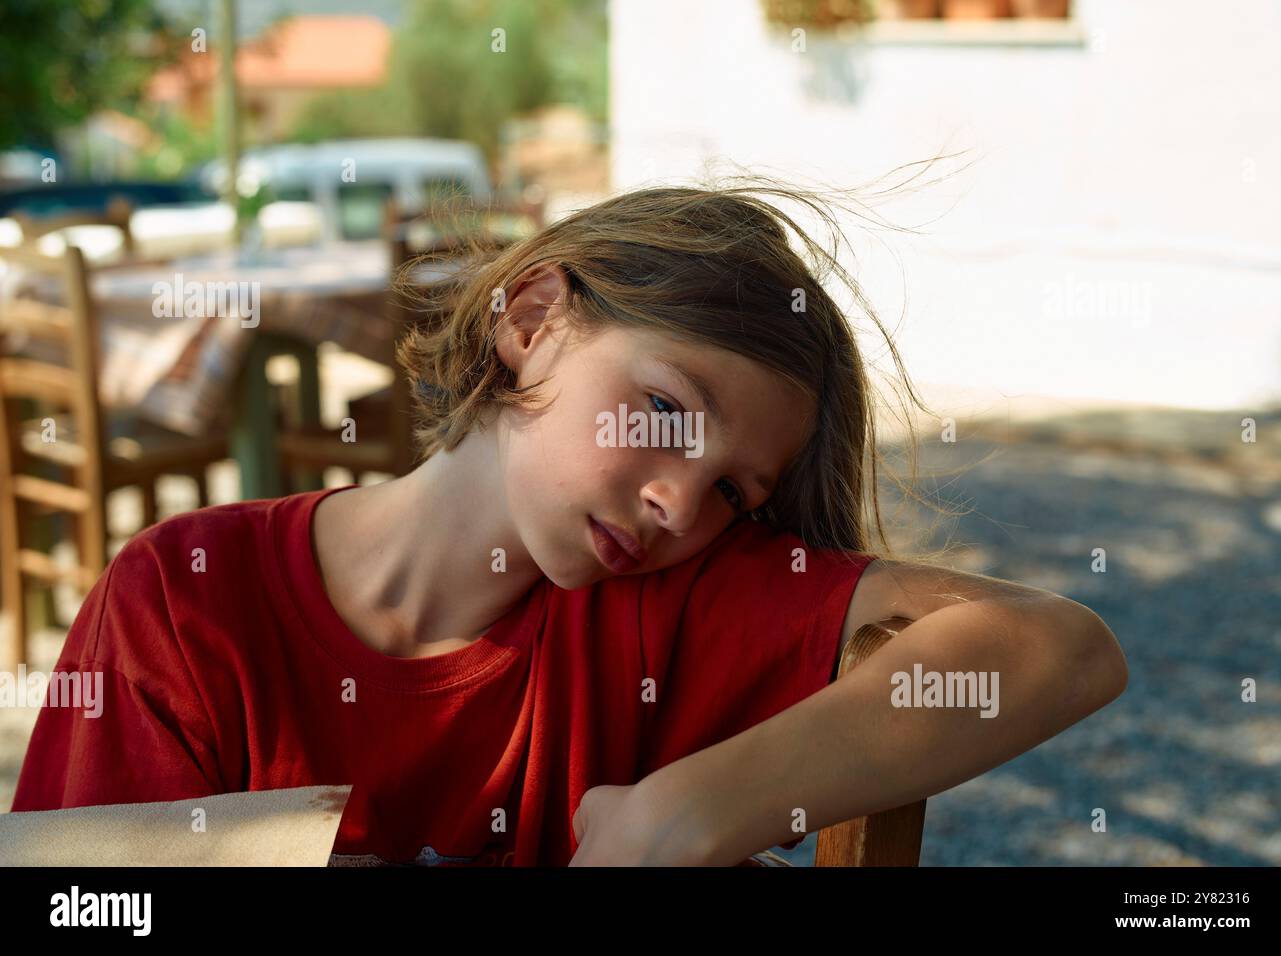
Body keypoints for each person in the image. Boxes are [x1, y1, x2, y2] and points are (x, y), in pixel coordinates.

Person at [10, 174, 1128, 866]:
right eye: (663, 409)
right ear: (534, 319)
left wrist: (691, 809)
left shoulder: (662, 598)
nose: (680, 502)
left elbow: (1058, 647)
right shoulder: (188, 598)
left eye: (735, 490)